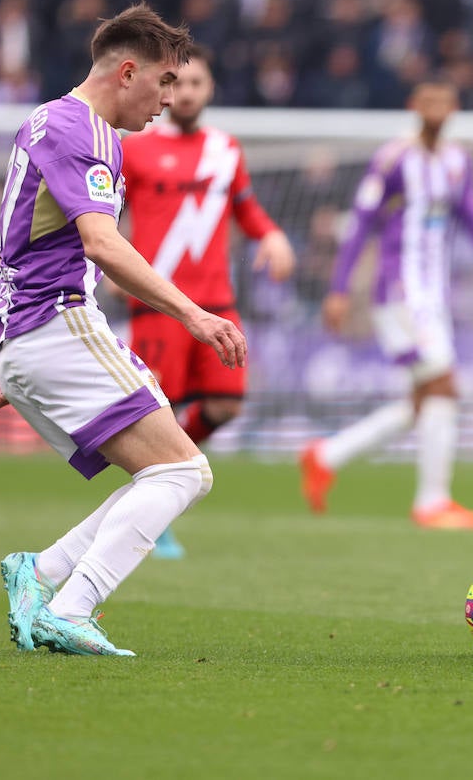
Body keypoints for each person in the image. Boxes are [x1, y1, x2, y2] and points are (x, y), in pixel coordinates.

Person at [0, 4, 247, 656]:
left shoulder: (47, 121)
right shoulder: (87, 132)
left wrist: (24, 361)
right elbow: (101, 243)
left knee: (161, 472)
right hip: (55, 326)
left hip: (34, 335)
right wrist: (195, 312)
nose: (167, 100)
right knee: (184, 473)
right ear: (128, 72)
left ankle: (40, 573)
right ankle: (70, 604)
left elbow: (29, 241)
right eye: (163, 84)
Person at [298, 80, 473, 529]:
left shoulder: (457, 161)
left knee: (424, 402)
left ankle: (325, 456)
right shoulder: (393, 159)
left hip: (433, 297)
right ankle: (432, 502)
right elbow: (359, 226)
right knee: (445, 387)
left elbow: (471, 215)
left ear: (453, 107)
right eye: (427, 100)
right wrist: (338, 289)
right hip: (399, 294)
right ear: (414, 107)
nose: (436, 107)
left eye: (444, 99)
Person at [120, 44, 297, 559]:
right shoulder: (136, 149)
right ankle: (153, 515)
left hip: (217, 299)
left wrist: (272, 236)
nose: (188, 93)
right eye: (180, 84)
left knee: (225, 403)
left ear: (210, 89)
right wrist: (108, 261)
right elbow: (104, 211)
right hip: (159, 300)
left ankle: (162, 492)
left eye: (199, 84)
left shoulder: (226, 149)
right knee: (159, 411)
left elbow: (247, 210)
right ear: (166, 89)